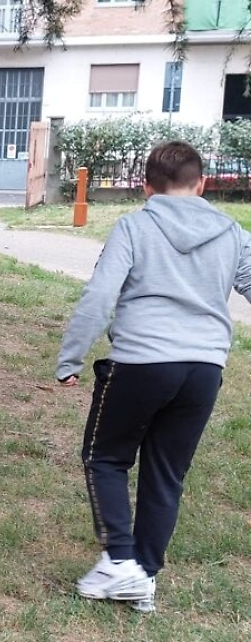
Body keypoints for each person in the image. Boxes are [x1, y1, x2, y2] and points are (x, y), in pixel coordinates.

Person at [56, 140, 251, 612]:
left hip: (141, 363)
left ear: (146, 188)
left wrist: (70, 360)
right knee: (167, 473)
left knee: (104, 457)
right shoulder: (233, 232)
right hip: (204, 370)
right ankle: (143, 576)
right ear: (201, 184)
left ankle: (120, 563)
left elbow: (100, 296)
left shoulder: (134, 226)